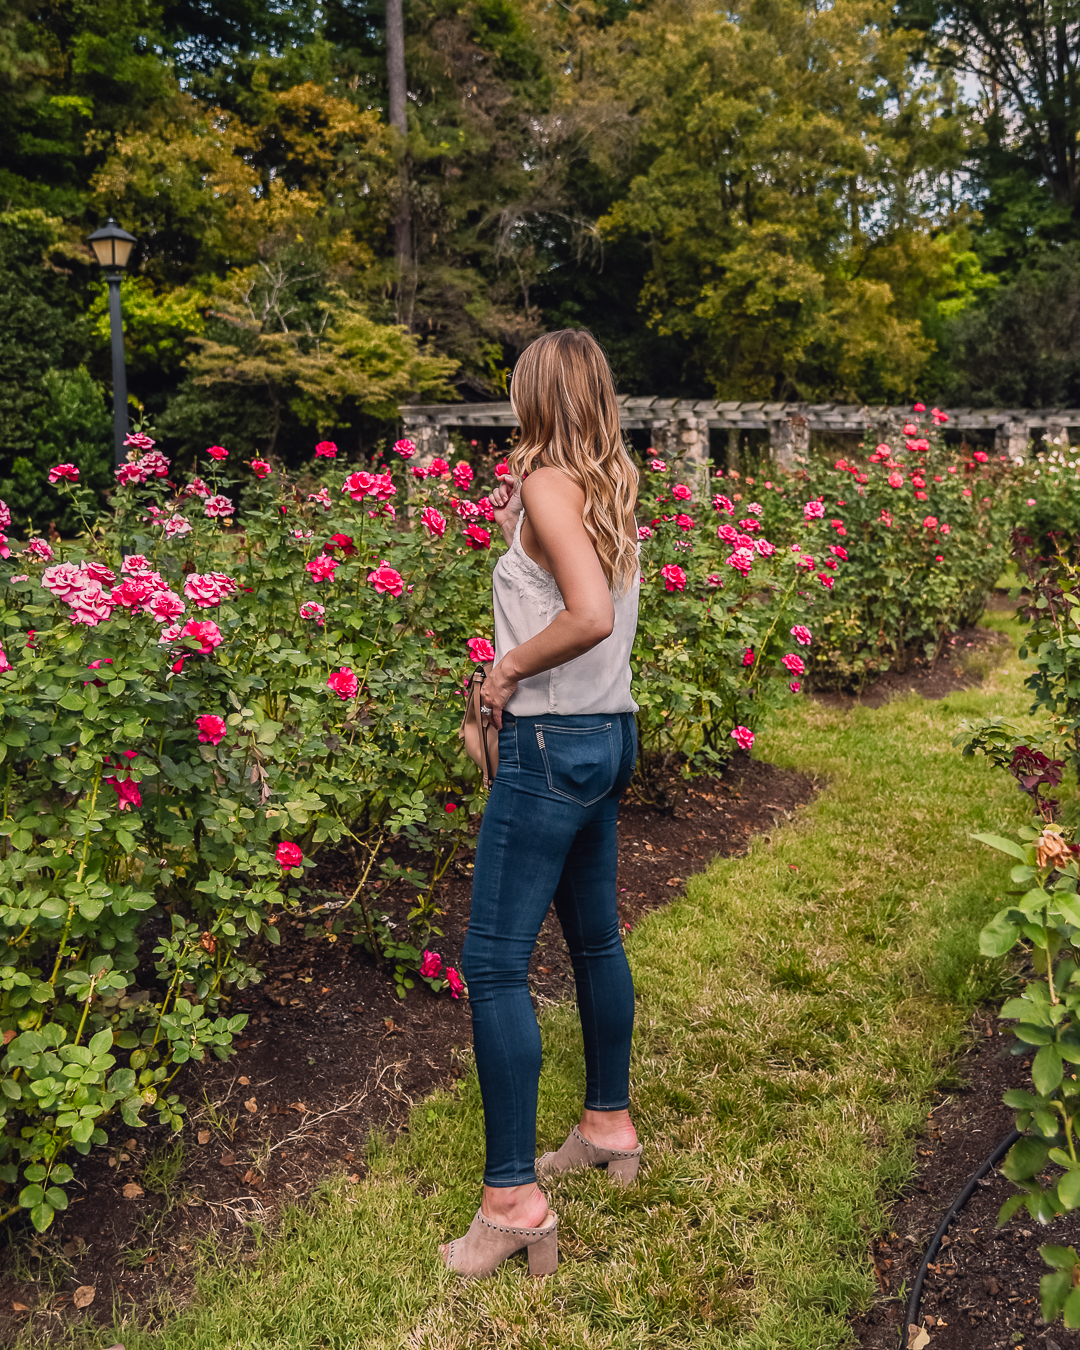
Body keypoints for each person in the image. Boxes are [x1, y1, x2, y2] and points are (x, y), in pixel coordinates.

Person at [440, 329, 643, 1280]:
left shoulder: (548, 488)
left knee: (492, 966)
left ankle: (513, 1201)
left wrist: (502, 672)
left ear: (535, 396)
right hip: (608, 736)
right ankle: (607, 1125)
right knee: (595, 938)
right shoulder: (608, 486)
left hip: (554, 742)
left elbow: (589, 614)